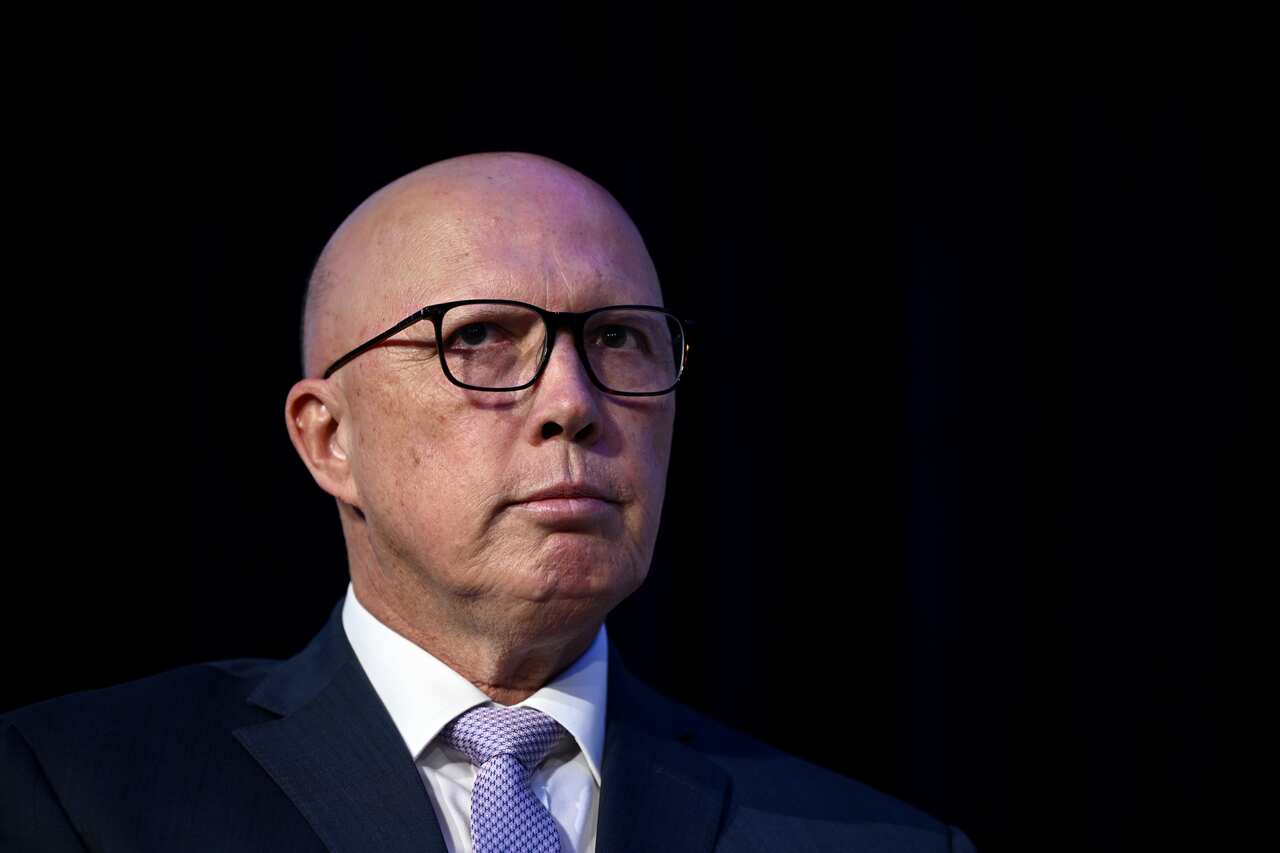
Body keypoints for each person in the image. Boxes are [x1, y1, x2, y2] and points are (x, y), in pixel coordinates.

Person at [1, 152, 976, 852]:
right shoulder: (69, 788)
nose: (572, 404)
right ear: (328, 439)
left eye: (620, 340)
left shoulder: (870, 839)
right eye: (477, 337)